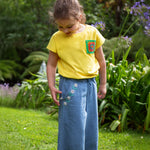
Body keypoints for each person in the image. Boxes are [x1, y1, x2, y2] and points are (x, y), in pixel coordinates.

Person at [46, 0, 106, 149]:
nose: (65, 30)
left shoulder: (92, 33)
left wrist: (103, 84)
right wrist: (51, 86)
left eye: (69, 26)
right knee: (72, 124)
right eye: (60, 26)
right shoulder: (56, 38)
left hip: (91, 84)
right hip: (70, 87)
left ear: (79, 16)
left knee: (90, 124)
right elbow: (51, 64)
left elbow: (101, 61)